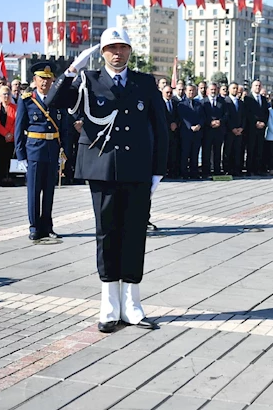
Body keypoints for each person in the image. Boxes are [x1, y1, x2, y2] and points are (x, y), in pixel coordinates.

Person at [45, 27, 168, 332]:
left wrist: (158, 170)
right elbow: (53, 100)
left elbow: (161, 127)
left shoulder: (144, 82)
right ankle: (109, 304)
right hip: (101, 168)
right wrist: (72, 70)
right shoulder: (88, 80)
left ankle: (133, 303)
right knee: (107, 233)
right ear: (102, 53)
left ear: (130, 51)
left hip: (137, 169)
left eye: (122, 47)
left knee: (135, 234)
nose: (117, 53)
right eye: (111, 48)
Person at [15, 63, 66, 241]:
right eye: (41, 78)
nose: (45, 82)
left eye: (48, 78)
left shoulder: (57, 99)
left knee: (49, 190)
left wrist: (64, 151)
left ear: (52, 80)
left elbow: (64, 127)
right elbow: (19, 127)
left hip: (52, 149)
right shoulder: (27, 99)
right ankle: (34, 226)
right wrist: (21, 155)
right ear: (35, 80)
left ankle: (48, 226)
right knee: (34, 190)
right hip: (34, 149)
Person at [178, 84, 203, 179]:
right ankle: (184, 173)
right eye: (189, 91)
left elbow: (202, 116)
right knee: (185, 153)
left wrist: (199, 125)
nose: (191, 92)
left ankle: (194, 173)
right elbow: (182, 117)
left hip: (197, 133)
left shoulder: (198, 104)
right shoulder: (181, 104)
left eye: (193, 91)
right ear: (186, 91)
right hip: (186, 133)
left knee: (195, 153)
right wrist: (190, 126)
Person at [0, 86, 16, 186]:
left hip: (11, 137)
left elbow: (17, 122)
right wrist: (5, 133)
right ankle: (0, 176)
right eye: (4, 94)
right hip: (0, 136)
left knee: (8, 156)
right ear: (0, 96)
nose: (6, 96)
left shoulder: (15, 107)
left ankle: (7, 176)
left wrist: (10, 133)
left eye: (8, 94)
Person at [244, 80, 269, 176]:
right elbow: (247, 113)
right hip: (251, 128)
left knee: (259, 149)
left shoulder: (263, 99)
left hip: (261, 128)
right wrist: (255, 122)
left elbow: (266, 113)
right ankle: (250, 169)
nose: (257, 87)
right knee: (251, 149)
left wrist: (264, 123)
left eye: (259, 85)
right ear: (252, 87)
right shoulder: (248, 98)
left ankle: (257, 169)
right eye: (256, 85)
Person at [202, 82, 226, 177]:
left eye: (215, 89)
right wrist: (210, 122)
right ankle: (206, 171)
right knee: (206, 151)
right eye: (211, 89)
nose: (213, 91)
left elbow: (226, 114)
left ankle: (217, 170)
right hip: (208, 130)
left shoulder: (222, 101)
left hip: (219, 130)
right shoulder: (203, 102)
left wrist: (220, 121)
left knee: (217, 151)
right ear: (208, 90)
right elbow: (202, 115)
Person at [222, 82, 246, 177]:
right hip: (229, 131)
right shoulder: (225, 101)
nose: (235, 90)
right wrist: (232, 128)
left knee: (237, 150)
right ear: (229, 89)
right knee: (228, 150)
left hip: (239, 131)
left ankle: (236, 169)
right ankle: (227, 169)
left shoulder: (240, 103)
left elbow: (244, 117)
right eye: (233, 88)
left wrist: (241, 128)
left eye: (236, 88)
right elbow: (226, 117)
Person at [161, 85, 180, 179]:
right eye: (167, 92)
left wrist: (175, 123)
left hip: (174, 132)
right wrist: (169, 124)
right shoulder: (159, 103)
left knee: (173, 153)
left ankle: (172, 172)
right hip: (164, 132)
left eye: (170, 92)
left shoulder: (175, 103)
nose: (169, 94)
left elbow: (178, 115)